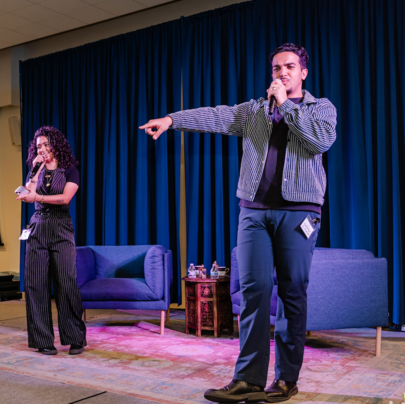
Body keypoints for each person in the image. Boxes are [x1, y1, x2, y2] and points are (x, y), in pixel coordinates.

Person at [140, 43, 337, 402]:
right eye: (276, 68)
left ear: (303, 73)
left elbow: (320, 141)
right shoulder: (255, 111)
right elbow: (215, 116)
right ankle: (248, 379)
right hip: (254, 212)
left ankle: (286, 379)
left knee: (292, 292)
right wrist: (172, 120)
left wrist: (287, 106)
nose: (282, 73)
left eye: (290, 67)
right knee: (253, 291)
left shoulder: (320, 108)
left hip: (299, 213)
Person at [16, 126, 87, 356]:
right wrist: (35, 170)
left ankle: (75, 337)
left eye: (47, 144)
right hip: (37, 226)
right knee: (36, 285)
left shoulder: (70, 170)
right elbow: (27, 192)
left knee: (66, 283)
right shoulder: (35, 169)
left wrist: (37, 197)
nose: (43, 149)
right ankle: (42, 339)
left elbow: (65, 198)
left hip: (61, 227)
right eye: (39, 146)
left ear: (56, 145)